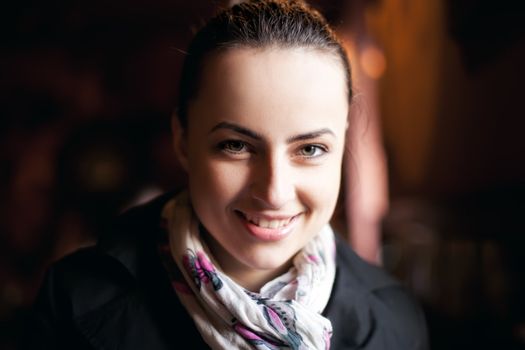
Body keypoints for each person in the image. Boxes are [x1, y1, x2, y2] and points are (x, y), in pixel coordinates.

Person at [21, 1, 429, 349]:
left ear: (342, 144)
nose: (274, 191)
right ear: (182, 140)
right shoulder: (74, 302)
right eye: (235, 145)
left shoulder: (395, 322)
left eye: (309, 149)